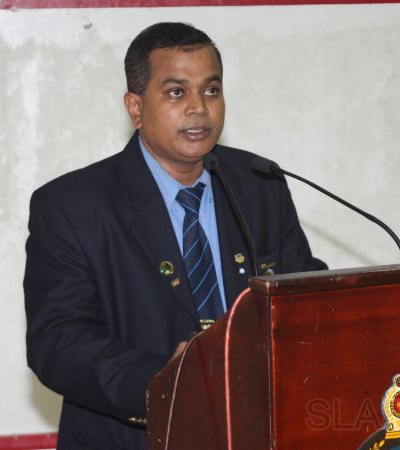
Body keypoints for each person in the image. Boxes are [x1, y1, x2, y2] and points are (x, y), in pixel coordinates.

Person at [24, 22, 326, 449]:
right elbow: (58, 342)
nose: (198, 108)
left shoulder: (260, 183)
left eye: (211, 90)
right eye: (176, 92)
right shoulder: (72, 206)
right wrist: (166, 382)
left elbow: (304, 300)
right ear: (135, 107)